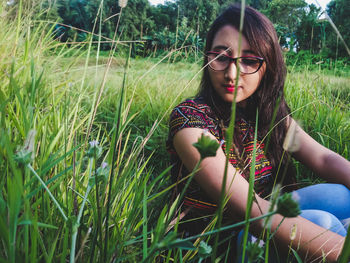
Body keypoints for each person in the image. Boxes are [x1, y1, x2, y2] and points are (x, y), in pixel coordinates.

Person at [166, 3, 350, 262]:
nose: (232, 73)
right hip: (217, 242)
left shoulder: (268, 116)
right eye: (221, 57)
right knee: (324, 222)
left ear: (268, 65)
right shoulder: (191, 122)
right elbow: (251, 211)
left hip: (266, 216)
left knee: (342, 195)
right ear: (208, 58)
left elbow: (323, 159)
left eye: (250, 60)